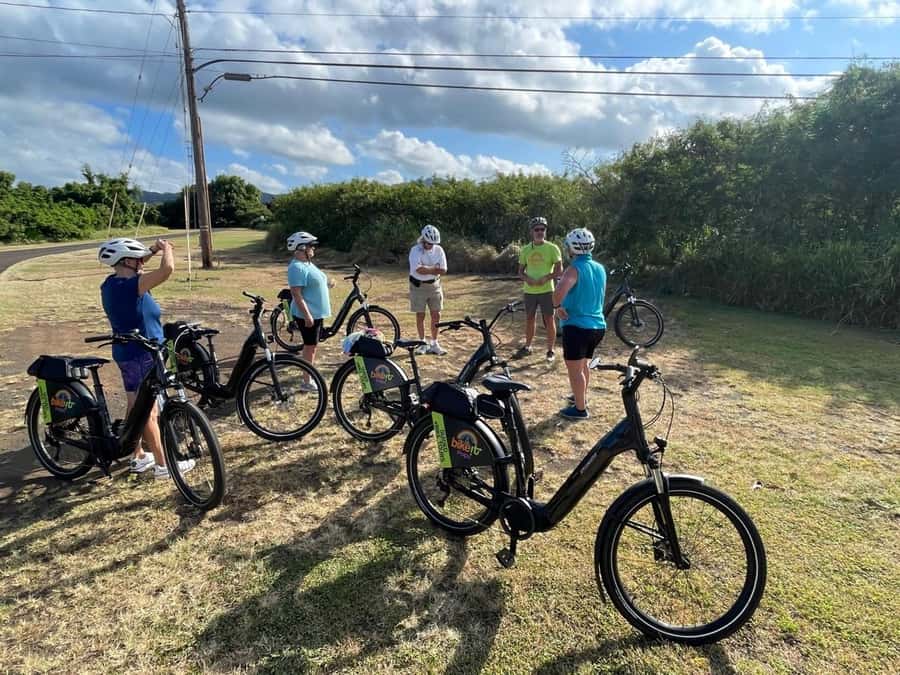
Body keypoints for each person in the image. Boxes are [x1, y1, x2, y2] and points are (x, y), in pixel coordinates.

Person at [98, 237, 194, 479]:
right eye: (138, 259)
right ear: (126, 261)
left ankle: (137, 456)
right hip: (142, 353)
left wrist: (150, 250)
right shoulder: (133, 286)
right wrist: (167, 249)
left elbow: (138, 269)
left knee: (135, 404)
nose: (142, 262)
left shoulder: (112, 284)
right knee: (149, 411)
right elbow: (166, 270)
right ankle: (164, 465)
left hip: (128, 351)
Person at [552, 228, 606, 420]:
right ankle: (580, 397)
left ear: (571, 249)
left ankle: (580, 409)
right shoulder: (600, 268)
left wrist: (557, 306)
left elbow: (558, 292)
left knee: (575, 370)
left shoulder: (574, 269)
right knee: (583, 365)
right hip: (597, 326)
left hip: (577, 326)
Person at [286, 230, 334, 389]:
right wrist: (307, 315)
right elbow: (296, 294)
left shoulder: (307, 263)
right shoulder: (296, 267)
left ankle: (309, 374)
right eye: (311, 246)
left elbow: (313, 281)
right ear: (301, 248)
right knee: (310, 347)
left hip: (315, 312)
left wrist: (327, 283)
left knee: (312, 346)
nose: (313, 248)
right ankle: (306, 381)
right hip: (308, 314)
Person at [515, 216, 563, 362]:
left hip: (547, 290)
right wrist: (528, 279)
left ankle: (550, 350)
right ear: (531, 231)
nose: (540, 232)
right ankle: (528, 346)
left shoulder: (552, 248)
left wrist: (546, 278)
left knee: (549, 319)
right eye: (537, 229)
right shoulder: (525, 250)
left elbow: (559, 270)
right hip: (529, 291)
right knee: (530, 319)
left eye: (542, 229)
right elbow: (520, 272)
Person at [408, 224, 448, 355]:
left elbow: (443, 270)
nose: (431, 245)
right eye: (429, 243)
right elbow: (418, 269)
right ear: (423, 240)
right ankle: (422, 342)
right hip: (418, 286)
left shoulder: (439, 250)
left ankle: (435, 343)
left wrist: (427, 269)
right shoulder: (415, 250)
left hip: (435, 286)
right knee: (420, 314)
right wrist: (434, 269)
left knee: (436, 314)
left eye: (433, 243)